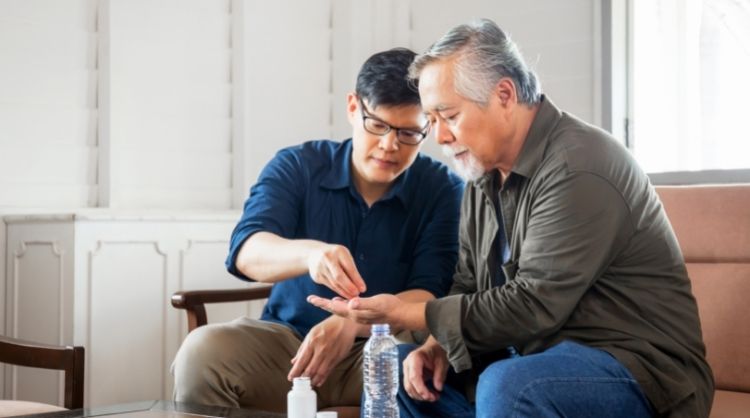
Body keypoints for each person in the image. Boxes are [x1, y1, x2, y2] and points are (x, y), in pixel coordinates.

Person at [308, 19, 714, 418]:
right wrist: (436, 346)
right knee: (398, 369)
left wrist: (403, 313)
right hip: (526, 361)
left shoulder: (580, 166)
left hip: (635, 371)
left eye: (448, 116)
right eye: (431, 122)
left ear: (504, 94)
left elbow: (533, 304)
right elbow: (467, 283)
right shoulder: (481, 176)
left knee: (511, 386)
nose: (442, 137)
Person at [170, 48, 463, 413]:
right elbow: (247, 250)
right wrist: (310, 255)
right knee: (202, 353)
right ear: (353, 107)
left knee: (419, 370)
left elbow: (430, 293)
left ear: (428, 128)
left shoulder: (443, 190)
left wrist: (351, 321)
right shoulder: (298, 165)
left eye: (409, 133)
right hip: (288, 347)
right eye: (378, 125)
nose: (390, 145)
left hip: (386, 349)